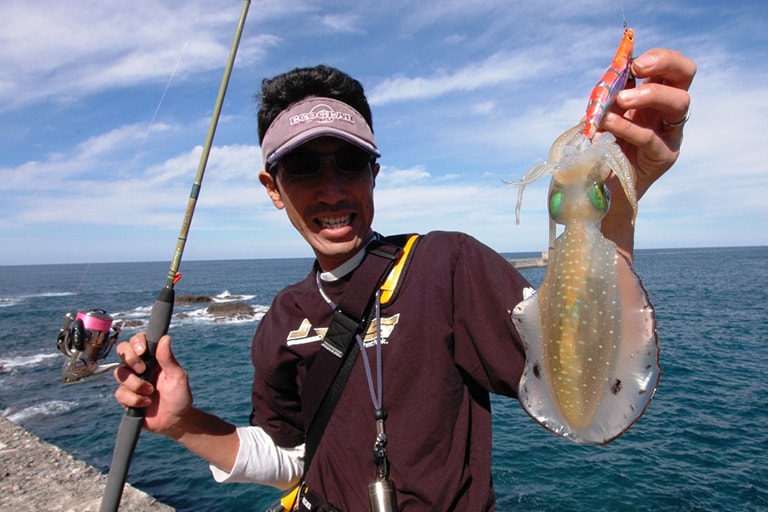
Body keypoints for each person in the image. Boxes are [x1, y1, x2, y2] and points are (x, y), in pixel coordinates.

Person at [114, 48, 696, 510]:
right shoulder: (282, 320)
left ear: (374, 172)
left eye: (348, 162)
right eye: (302, 166)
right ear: (273, 187)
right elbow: (293, 457)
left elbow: (584, 394)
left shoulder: (447, 267)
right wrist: (184, 424)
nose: (331, 187)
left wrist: (609, 211)